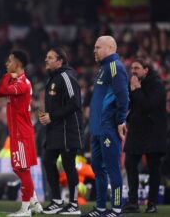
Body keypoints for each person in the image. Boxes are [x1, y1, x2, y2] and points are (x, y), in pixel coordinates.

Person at [81, 36, 129, 217]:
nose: (94, 51)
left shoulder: (116, 68)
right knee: (97, 168)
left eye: (98, 47)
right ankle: (101, 208)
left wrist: (120, 121)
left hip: (108, 127)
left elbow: (123, 97)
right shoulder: (103, 69)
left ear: (110, 48)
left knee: (112, 167)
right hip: (97, 129)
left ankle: (116, 209)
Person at [0, 50, 43, 216]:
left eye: (10, 61)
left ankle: (25, 209)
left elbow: (1, 91)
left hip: (22, 132)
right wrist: (9, 76)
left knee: (23, 169)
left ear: (18, 64)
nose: (7, 64)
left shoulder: (23, 84)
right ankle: (34, 201)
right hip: (16, 132)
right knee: (18, 168)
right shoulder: (16, 80)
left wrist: (10, 77)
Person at [39, 47, 83, 215]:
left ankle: (73, 204)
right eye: (46, 57)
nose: (46, 60)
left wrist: (52, 116)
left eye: (50, 57)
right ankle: (57, 201)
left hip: (68, 130)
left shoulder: (66, 77)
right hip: (55, 130)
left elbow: (75, 103)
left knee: (68, 165)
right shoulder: (53, 79)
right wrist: (47, 118)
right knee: (48, 162)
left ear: (60, 61)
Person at [122, 58, 167, 214]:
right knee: (129, 163)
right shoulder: (132, 83)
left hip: (153, 132)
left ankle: (152, 203)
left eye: (137, 68)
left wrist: (137, 90)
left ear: (146, 70)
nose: (133, 71)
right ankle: (133, 202)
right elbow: (128, 104)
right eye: (132, 68)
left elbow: (148, 107)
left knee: (154, 167)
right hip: (136, 131)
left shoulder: (157, 85)